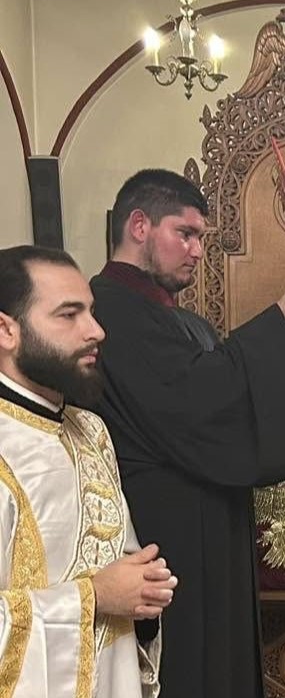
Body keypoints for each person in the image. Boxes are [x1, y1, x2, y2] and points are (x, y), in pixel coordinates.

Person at [90, 169, 285, 698]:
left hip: (213, 520)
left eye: (201, 238)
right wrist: (280, 319)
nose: (196, 250)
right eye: (185, 233)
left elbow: (226, 392)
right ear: (139, 225)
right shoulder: (109, 309)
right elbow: (196, 400)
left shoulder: (182, 321)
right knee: (187, 669)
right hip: (162, 530)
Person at [0, 245, 178, 697]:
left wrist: (143, 599)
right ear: (6, 331)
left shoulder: (91, 431)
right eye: (69, 315)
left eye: (91, 312)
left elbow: (122, 573)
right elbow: (103, 591)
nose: (96, 331)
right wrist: (94, 598)